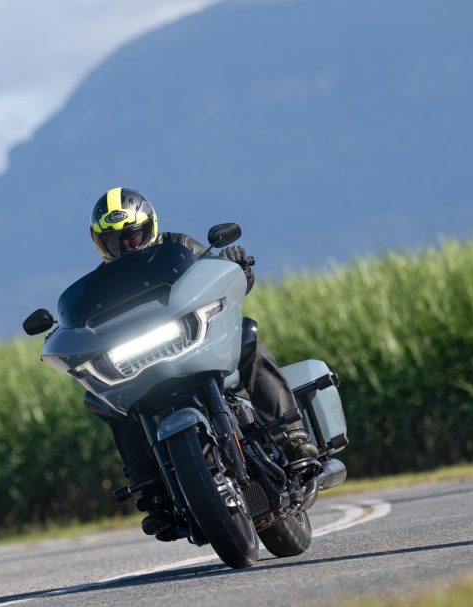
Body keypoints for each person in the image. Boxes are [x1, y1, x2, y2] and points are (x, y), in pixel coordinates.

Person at [88, 187, 319, 540]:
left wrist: (235, 264)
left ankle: (291, 436)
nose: (127, 246)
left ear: (148, 227)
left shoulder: (179, 248)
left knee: (247, 335)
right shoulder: (101, 284)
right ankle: (152, 493)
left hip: (196, 345)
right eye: (115, 241)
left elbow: (216, 280)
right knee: (108, 403)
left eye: (132, 236)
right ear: (101, 243)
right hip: (143, 366)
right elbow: (86, 319)